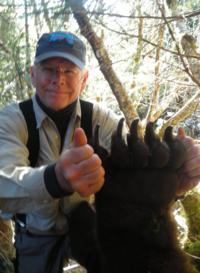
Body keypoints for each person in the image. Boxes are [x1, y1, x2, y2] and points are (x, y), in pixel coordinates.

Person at [0, 30, 199, 273]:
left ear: (84, 79)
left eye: (69, 71)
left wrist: (175, 178)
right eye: (49, 69)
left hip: (85, 223)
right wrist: (56, 178)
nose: (58, 78)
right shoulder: (12, 120)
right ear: (33, 74)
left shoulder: (100, 119)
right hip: (36, 231)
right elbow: (3, 184)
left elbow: (140, 169)